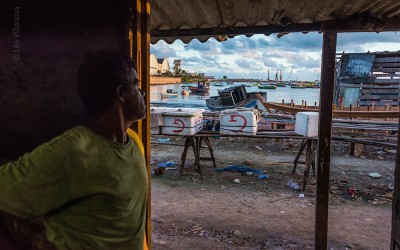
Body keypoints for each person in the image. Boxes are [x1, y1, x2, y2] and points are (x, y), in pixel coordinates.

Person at [0, 50, 148, 249]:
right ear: (121, 94)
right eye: (137, 85)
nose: (143, 92)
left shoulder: (134, 142)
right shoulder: (76, 150)